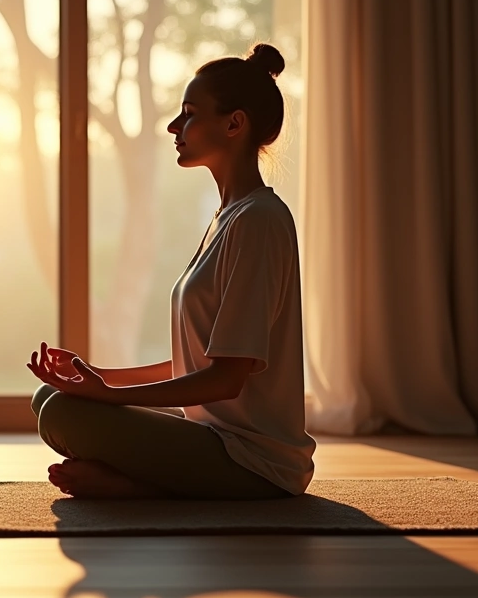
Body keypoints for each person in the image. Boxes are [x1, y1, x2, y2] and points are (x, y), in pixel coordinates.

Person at [26, 43, 316, 500]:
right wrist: (100, 377)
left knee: (65, 415)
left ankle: (136, 485)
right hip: (209, 430)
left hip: (253, 459)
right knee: (52, 401)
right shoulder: (230, 216)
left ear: (234, 124)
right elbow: (201, 362)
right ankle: (140, 477)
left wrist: (108, 397)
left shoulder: (259, 220)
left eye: (190, 114)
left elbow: (226, 378)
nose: (174, 127)